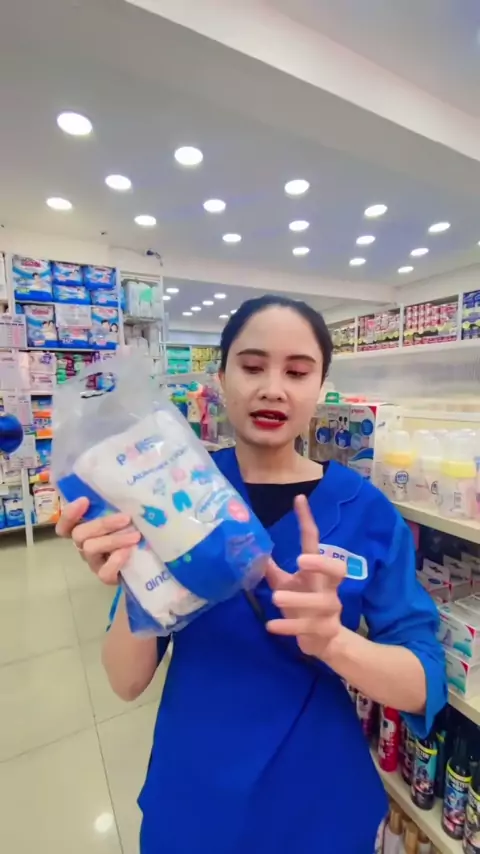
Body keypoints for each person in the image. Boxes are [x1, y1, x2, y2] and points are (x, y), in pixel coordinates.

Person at [56, 295, 447, 854]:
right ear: (220, 379)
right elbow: (126, 681)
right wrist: (132, 579)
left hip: (320, 801)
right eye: (252, 365)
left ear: (321, 387)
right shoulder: (165, 492)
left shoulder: (367, 512)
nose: (273, 388)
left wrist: (333, 642)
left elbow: (422, 683)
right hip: (195, 797)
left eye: (297, 372)